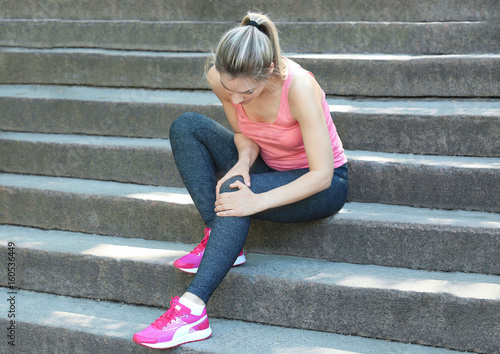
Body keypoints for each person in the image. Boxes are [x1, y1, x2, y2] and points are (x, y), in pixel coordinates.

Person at [133, 11, 349, 349]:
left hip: (322, 184)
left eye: (245, 92)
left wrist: (256, 200)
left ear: (270, 72)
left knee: (236, 197)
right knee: (187, 125)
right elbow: (242, 132)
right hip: (267, 167)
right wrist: (243, 164)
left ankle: (192, 311)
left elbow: (322, 175)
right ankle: (218, 236)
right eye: (228, 90)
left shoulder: (299, 86)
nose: (235, 100)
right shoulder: (222, 79)